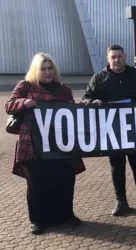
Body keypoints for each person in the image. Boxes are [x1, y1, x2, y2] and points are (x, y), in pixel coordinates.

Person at [5, 53, 86, 235]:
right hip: (33, 144)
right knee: (37, 184)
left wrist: (86, 106)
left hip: (61, 144)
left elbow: (72, 112)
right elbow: (9, 105)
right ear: (36, 70)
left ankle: (66, 215)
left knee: (65, 179)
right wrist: (23, 102)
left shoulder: (63, 89)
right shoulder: (25, 86)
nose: (47, 72)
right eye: (43, 69)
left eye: (50, 68)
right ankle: (37, 221)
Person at [81, 45, 136, 216]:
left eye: (119, 56)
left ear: (125, 57)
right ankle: (121, 201)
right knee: (117, 167)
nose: (116, 60)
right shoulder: (99, 78)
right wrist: (91, 102)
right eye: (113, 57)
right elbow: (87, 97)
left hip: (134, 129)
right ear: (108, 60)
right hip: (112, 131)